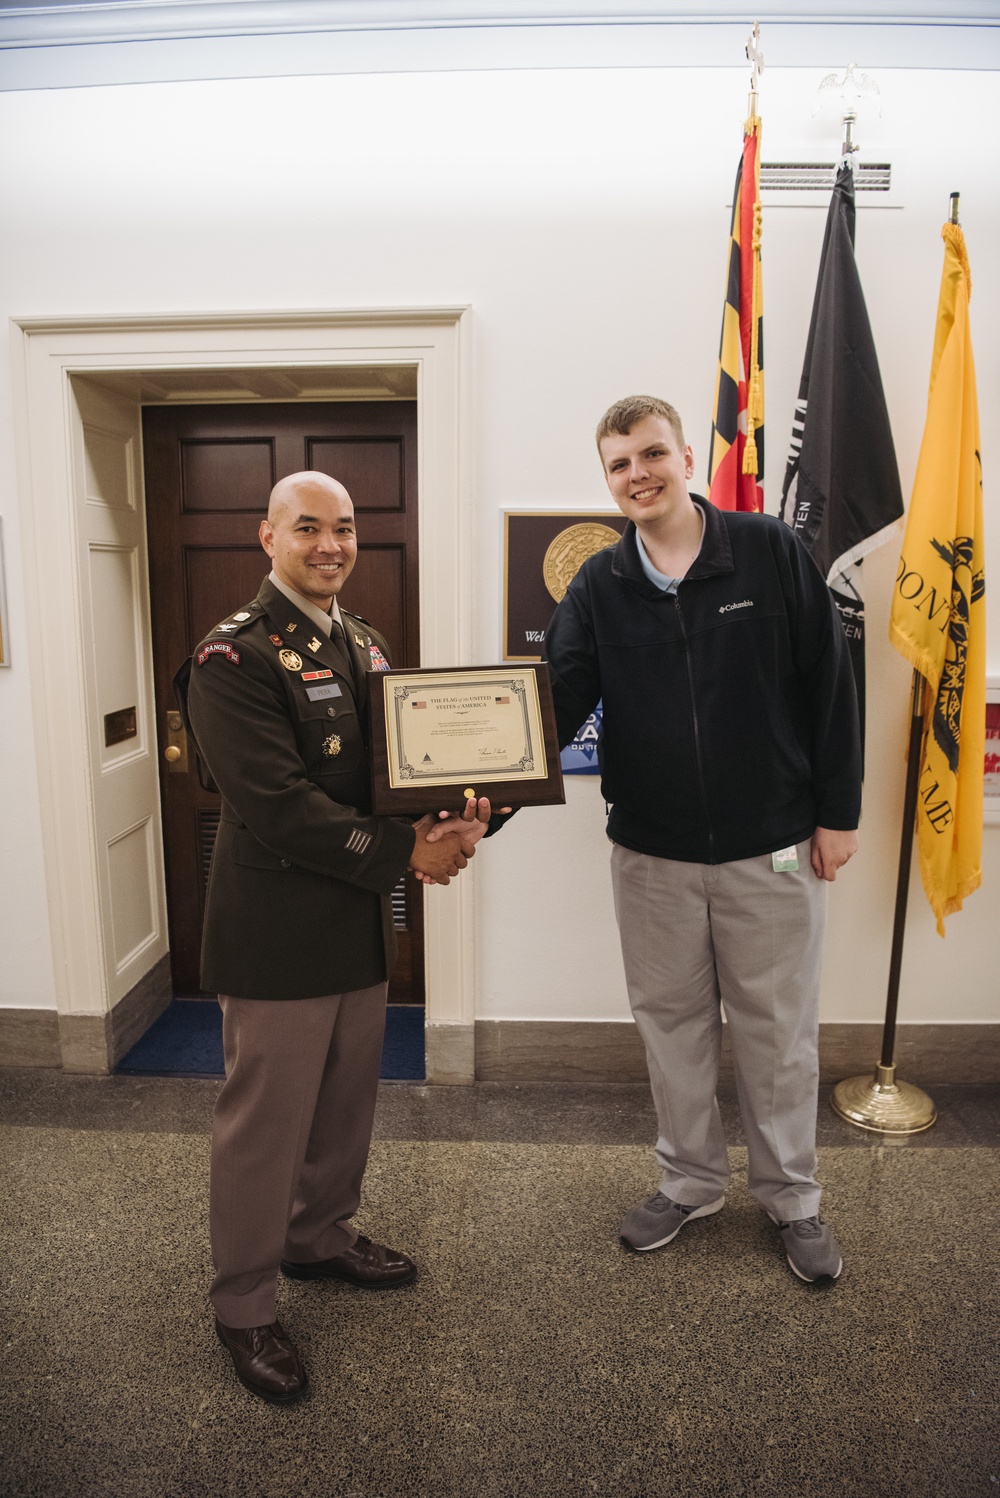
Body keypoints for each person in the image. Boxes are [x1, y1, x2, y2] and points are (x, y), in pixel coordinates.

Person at [182, 470, 494, 1404]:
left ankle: (318, 1238)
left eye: (345, 529)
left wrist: (467, 808)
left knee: (345, 1104)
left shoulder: (361, 640)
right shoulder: (232, 661)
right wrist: (412, 853)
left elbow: (396, 768)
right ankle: (242, 1303)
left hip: (357, 921)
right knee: (264, 1127)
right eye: (308, 528)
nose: (331, 546)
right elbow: (281, 810)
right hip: (278, 932)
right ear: (267, 537)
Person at [543, 396, 862, 1285]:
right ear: (607, 480)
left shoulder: (768, 551)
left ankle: (792, 1197)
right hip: (652, 855)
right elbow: (552, 706)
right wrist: (479, 791)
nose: (638, 475)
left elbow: (832, 687)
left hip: (775, 846)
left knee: (779, 1034)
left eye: (651, 455)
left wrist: (840, 814)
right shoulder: (600, 585)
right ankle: (688, 1182)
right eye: (619, 465)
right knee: (672, 1027)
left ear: (687, 456)